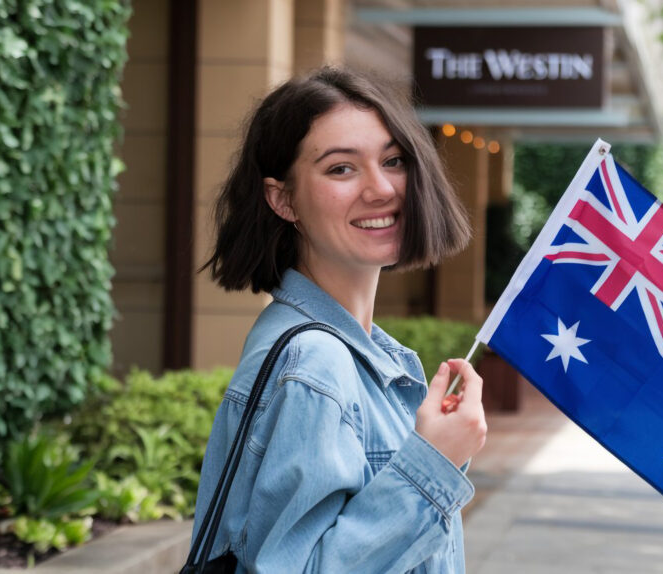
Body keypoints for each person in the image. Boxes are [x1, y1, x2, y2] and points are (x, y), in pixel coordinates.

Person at [190, 67, 487, 573]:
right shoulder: (316, 362)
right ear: (282, 199)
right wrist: (431, 466)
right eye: (340, 169)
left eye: (393, 161)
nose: (381, 189)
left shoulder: (360, 353)